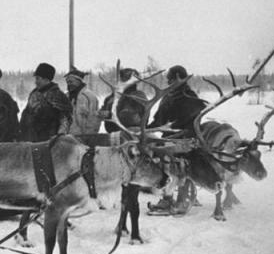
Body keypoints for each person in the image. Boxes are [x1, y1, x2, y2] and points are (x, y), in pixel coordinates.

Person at [148, 65, 207, 214]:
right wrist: (147, 129)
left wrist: (180, 134)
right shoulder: (169, 96)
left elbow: (192, 121)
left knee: (174, 169)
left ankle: (175, 200)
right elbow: (159, 119)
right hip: (171, 138)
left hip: (185, 140)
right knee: (173, 168)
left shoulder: (190, 97)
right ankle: (185, 195)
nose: (168, 82)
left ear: (179, 78)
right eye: (168, 79)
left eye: (170, 79)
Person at [100, 67, 148, 241]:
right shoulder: (112, 98)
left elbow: (144, 121)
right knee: (126, 188)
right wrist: (104, 115)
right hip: (115, 142)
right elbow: (106, 121)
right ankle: (124, 224)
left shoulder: (139, 98)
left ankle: (131, 229)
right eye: (124, 78)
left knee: (131, 188)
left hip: (132, 143)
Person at [20, 62, 72, 142]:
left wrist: (59, 137)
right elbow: (26, 113)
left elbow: (65, 119)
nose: (35, 81)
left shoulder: (57, 95)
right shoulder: (34, 93)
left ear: (46, 79)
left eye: (38, 78)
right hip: (31, 139)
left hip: (49, 141)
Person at [65, 68, 101, 135]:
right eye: (67, 82)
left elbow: (94, 119)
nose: (69, 84)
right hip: (67, 137)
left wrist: (89, 136)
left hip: (83, 137)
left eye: (71, 82)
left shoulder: (89, 96)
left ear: (79, 81)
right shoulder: (66, 97)